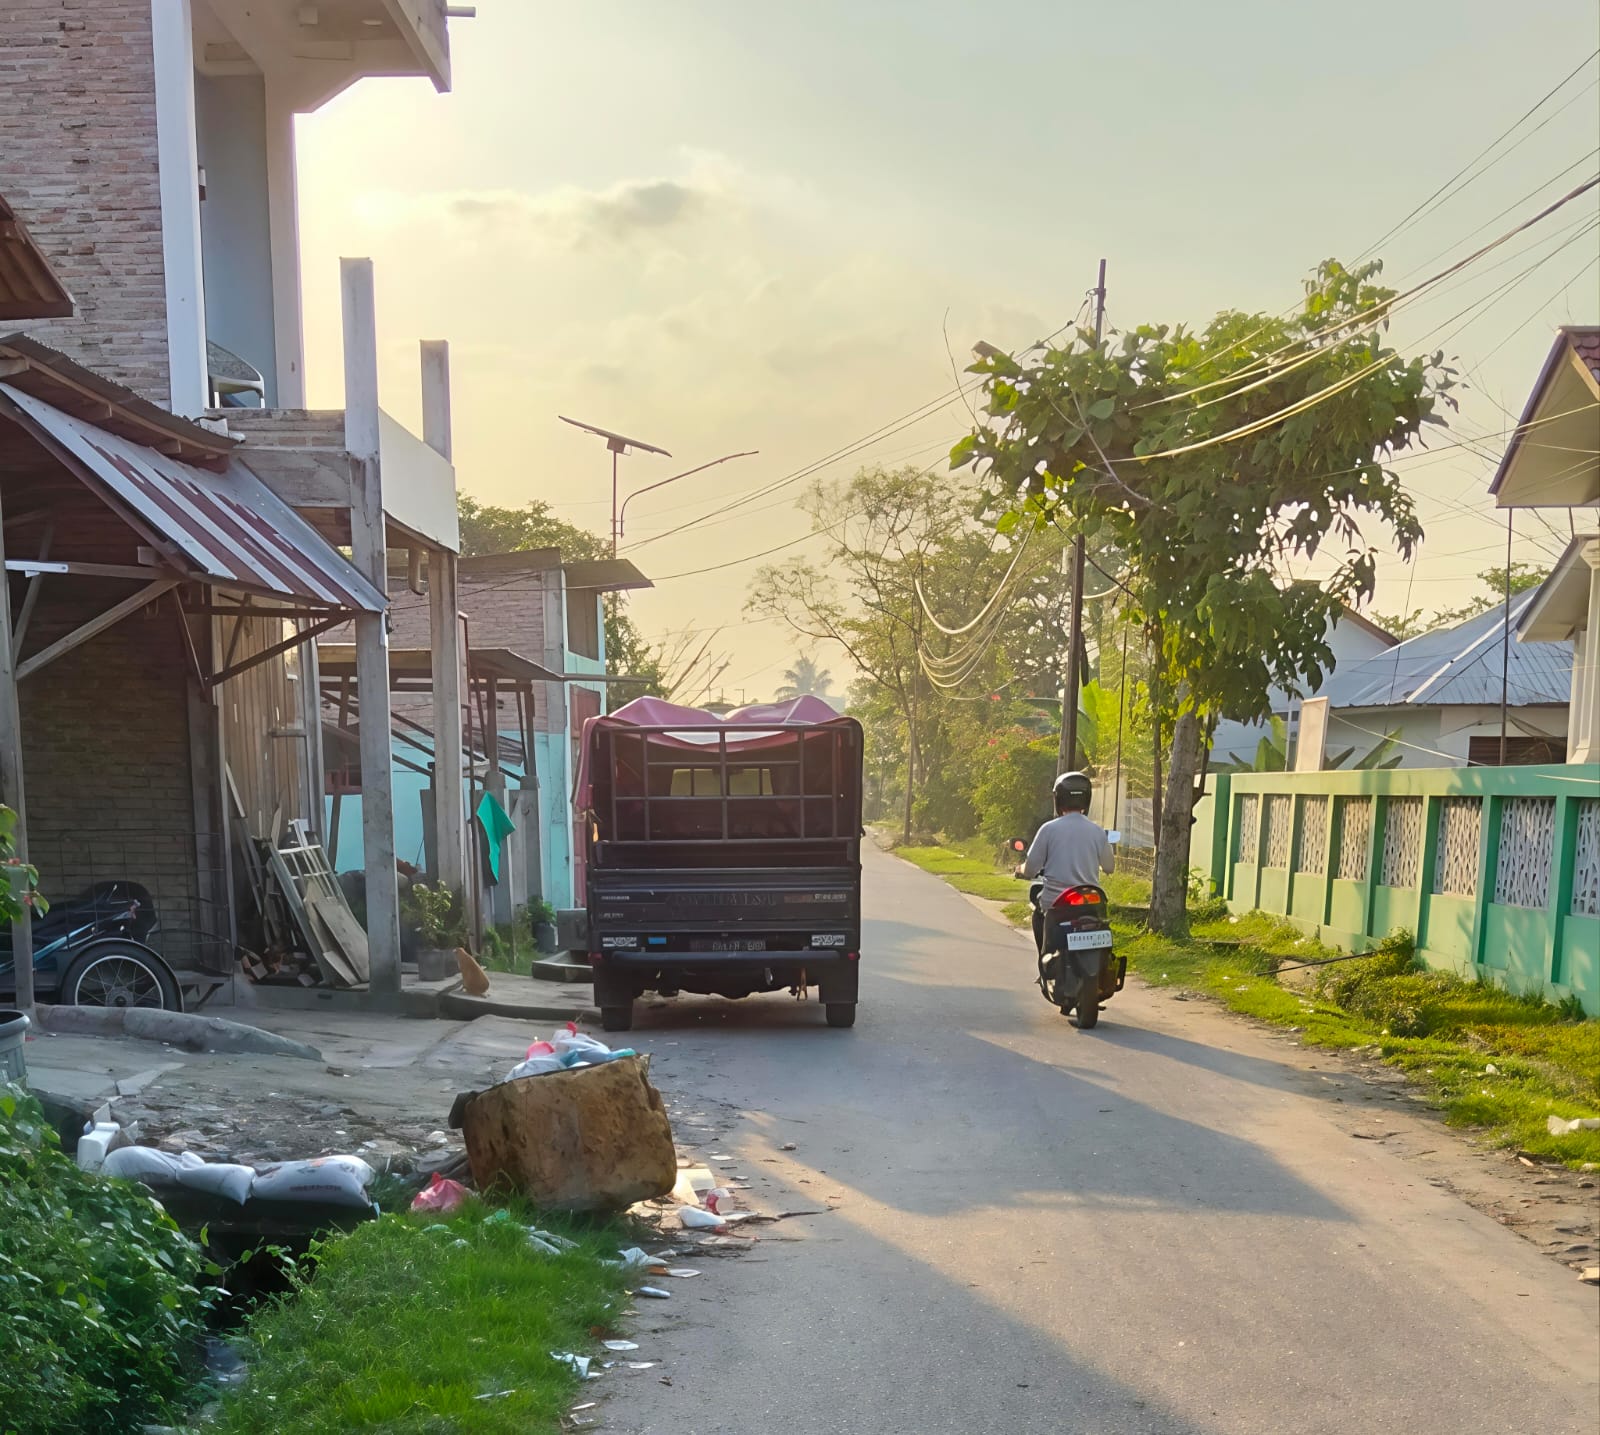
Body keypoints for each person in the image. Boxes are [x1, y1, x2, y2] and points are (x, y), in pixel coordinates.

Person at [1018, 771, 1115, 953]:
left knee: (1038, 914)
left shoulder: (1049, 829)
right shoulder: (1097, 831)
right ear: (1087, 799)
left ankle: (1044, 959)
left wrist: (1020, 869)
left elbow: (1031, 870)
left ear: (1058, 798)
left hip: (1056, 900)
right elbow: (1109, 867)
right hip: (1090, 900)